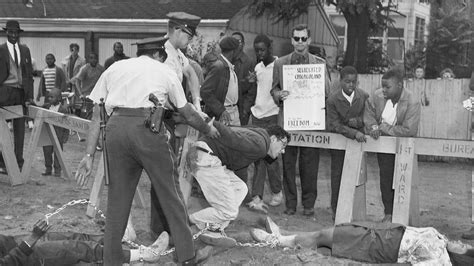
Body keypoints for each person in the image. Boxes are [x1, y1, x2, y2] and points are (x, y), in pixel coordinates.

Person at [74, 36, 219, 266]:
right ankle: (187, 256)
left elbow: (96, 115)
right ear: (160, 55)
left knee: (117, 199)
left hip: (115, 130)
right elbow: (188, 112)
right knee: (170, 193)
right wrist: (207, 128)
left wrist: (89, 155)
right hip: (147, 129)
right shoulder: (164, 71)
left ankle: (111, 258)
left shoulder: (115, 68)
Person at [187, 123, 290, 247]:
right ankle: (186, 221)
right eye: (283, 144)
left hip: (210, 157)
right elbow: (231, 136)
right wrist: (210, 123)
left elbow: (239, 165)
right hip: (205, 157)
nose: (283, 150)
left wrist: (251, 201)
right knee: (229, 211)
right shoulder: (260, 144)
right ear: (273, 139)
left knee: (240, 188)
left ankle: (212, 228)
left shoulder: (258, 140)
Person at [270, 24, 330, 217]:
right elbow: (274, 89)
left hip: (311, 121)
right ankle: (290, 204)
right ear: (291, 40)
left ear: (309, 40)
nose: (300, 42)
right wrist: (280, 94)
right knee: (288, 165)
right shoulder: (281, 64)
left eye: (304, 39)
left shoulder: (319, 64)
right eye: (296, 38)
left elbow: (328, 92)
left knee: (310, 165)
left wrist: (320, 85)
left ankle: (309, 205)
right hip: (289, 122)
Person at [250, 216, 473, 265]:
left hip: (378, 246)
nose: (459, 243)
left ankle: (277, 241)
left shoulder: (439, 260)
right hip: (383, 231)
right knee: (327, 236)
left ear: (460, 259)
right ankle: (285, 237)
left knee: (325, 237)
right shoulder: (441, 240)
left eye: (462, 248)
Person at [364, 68, 421, 223]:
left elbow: (409, 130)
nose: (383, 90)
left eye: (387, 87)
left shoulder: (412, 101)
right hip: (385, 146)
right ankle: (388, 213)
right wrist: (373, 127)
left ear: (400, 85)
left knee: (403, 180)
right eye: (382, 86)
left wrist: (383, 128)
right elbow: (368, 115)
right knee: (386, 178)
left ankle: (403, 216)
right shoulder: (377, 96)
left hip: (404, 146)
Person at [0, 219, 170, 265]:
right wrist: (31, 239)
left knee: (72, 236)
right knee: (77, 248)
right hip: (16, 259)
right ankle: (142, 255)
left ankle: (121, 241)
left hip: (8, 245)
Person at [247, 34, 283, 212]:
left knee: (272, 157)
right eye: (257, 50)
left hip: (273, 116)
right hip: (257, 116)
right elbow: (257, 90)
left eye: (262, 49)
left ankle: (277, 191)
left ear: (270, 48)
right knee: (258, 157)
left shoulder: (280, 65)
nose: (260, 53)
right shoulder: (257, 68)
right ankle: (257, 196)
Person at [326, 66, 368, 219]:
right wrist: (353, 132)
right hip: (339, 143)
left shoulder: (363, 96)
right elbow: (333, 125)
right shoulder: (332, 99)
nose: (350, 85)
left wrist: (357, 122)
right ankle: (336, 210)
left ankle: (353, 210)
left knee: (357, 174)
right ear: (340, 81)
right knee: (337, 175)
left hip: (357, 144)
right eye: (347, 82)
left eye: (353, 82)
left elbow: (367, 118)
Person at [0, 20, 34, 174]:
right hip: (4, 93)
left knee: (20, 130)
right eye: (10, 32)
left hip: (21, 94)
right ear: (6, 32)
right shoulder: (0, 50)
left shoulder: (25, 50)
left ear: (19, 34)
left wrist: (30, 96)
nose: (13, 35)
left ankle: (18, 162)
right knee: (2, 130)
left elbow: (28, 75)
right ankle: (2, 162)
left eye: (16, 32)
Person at [201, 36, 241, 126]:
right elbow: (205, 91)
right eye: (238, 50)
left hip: (233, 110)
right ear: (233, 51)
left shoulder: (229, 67)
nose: (240, 53)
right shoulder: (219, 67)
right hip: (224, 114)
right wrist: (220, 110)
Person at [40, 88, 70, 177]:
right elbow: (38, 111)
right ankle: (48, 169)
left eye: (52, 97)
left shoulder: (63, 110)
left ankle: (57, 171)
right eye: (49, 97)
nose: (49, 99)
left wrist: (65, 136)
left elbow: (67, 124)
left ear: (59, 98)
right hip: (47, 134)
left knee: (58, 153)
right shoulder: (46, 107)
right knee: (47, 152)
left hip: (58, 135)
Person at [69, 52, 104, 119]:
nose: (93, 60)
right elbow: (77, 81)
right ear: (88, 59)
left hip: (97, 95)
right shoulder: (84, 68)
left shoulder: (101, 69)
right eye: (91, 58)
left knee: (98, 115)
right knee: (87, 115)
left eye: (95, 58)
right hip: (87, 96)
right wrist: (80, 94)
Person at [231, 31, 256, 126]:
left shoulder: (248, 62)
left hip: (241, 108)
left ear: (243, 44)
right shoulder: (226, 60)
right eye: (232, 41)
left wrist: (246, 108)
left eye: (238, 41)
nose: (235, 44)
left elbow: (252, 89)